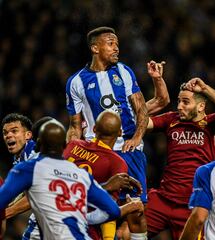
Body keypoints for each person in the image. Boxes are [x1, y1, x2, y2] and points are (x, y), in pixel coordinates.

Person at [65, 26, 169, 204]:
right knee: (97, 206)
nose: (116, 48)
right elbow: (75, 126)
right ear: (95, 48)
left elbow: (141, 108)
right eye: (111, 44)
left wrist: (137, 138)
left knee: (136, 210)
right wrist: (71, 155)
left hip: (128, 151)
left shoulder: (124, 71)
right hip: (97, 153)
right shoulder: (76, 82)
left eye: (117, 44)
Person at [0, 119, 144, 239]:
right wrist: (127, 206)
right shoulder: (81, 175)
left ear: (37, 144)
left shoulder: (29, 168)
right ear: (64, 146)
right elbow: (110, 212)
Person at [145, 77, 215, 239]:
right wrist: (157, 86)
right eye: (179, 101)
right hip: (163, 199)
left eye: (185, 102)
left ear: (201, 106)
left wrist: (205, 89)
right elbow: (141, 123)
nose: (180, 106)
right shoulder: (171, 120)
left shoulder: (211, 123)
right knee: (125, 233)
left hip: (193, 206)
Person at [63, 109, 147, 240]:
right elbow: (108, 211)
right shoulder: (117, 163)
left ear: (94, 129)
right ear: (120, 133)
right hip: (83, 229)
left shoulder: (73, 145)